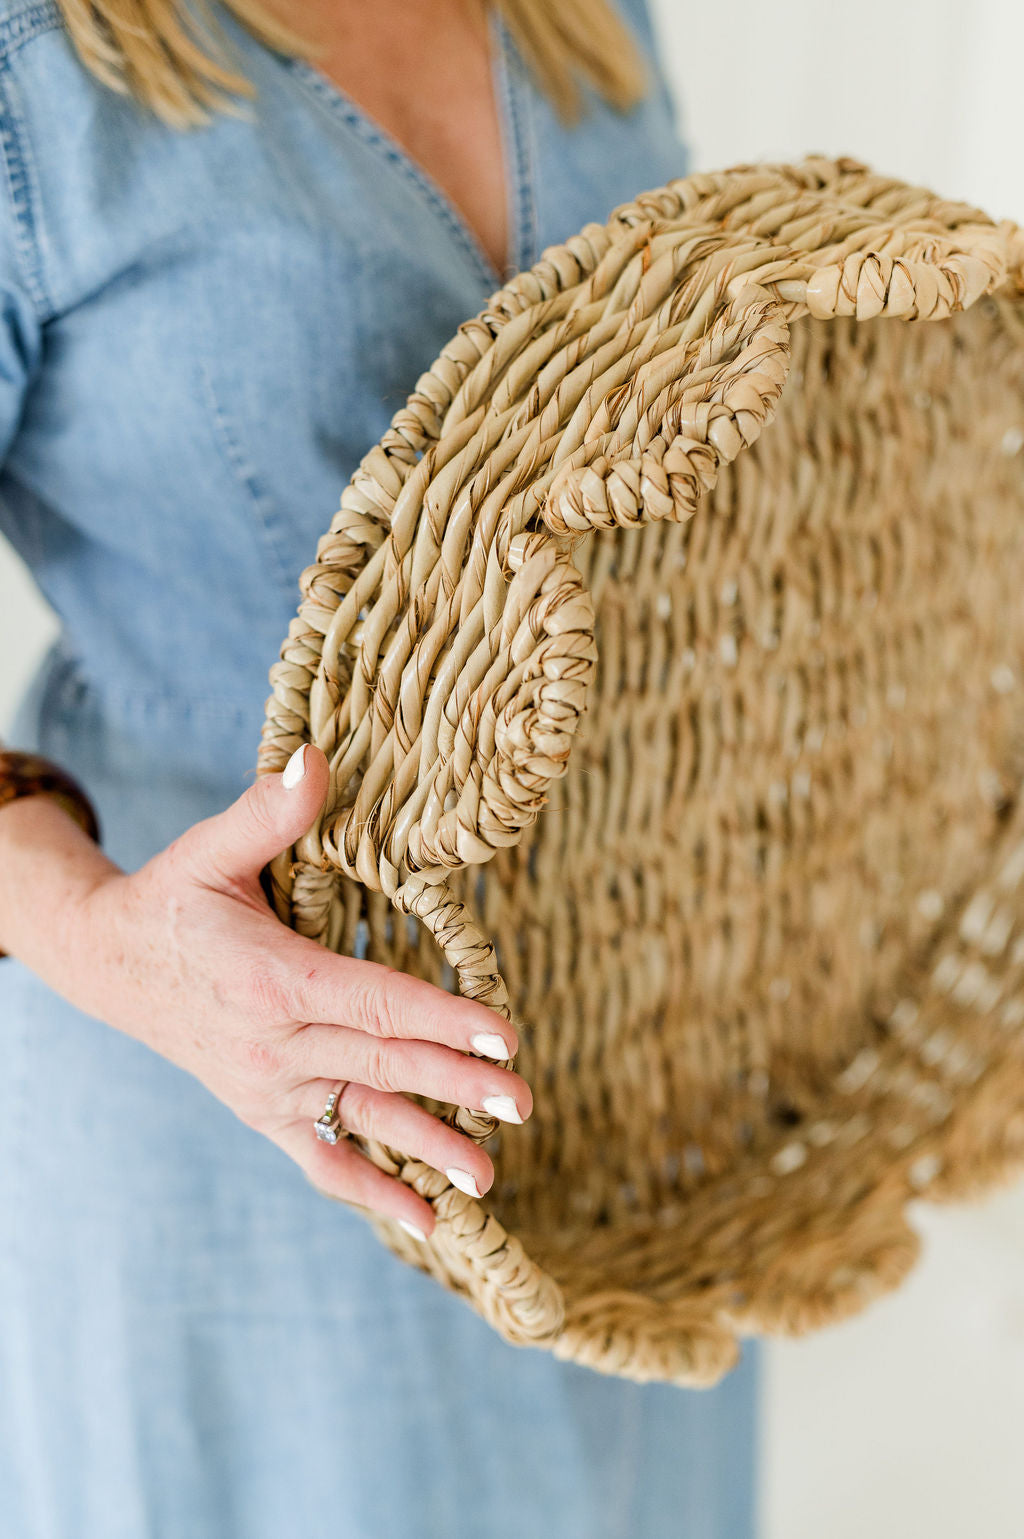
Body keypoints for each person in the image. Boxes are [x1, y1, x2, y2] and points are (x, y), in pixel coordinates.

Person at [0, 0, 761, 1533]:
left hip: (637, 1104)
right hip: (250, 1131)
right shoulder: (40, 75)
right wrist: (93, 931)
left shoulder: (585, 18)